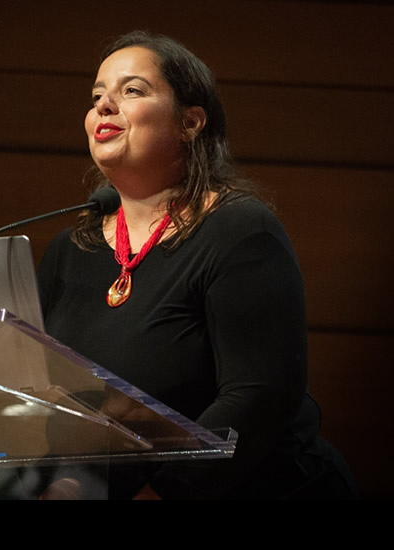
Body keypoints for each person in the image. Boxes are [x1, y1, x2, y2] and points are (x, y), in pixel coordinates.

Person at [37, 31, 356, 499]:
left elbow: (259, 399)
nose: (104, 106)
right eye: (97, 96)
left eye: (132, 90)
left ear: (190, 122)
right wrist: (67, 483)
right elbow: (56, 407)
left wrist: (162, 494)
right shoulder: (69, 251)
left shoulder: (240, 231)